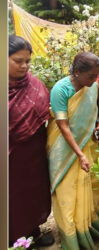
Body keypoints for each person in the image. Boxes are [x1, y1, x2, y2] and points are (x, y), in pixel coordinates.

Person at [47, 52, 99, 249]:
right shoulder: (60, 90)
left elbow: (92, 110)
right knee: (67, 193)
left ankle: (86, 229)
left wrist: (97, 123)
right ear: (78, 72)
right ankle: (72, 239)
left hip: (85, 143)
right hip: (63, 147)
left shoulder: (90, 87)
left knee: (86, 186)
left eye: (96, 75)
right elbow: (63, 127)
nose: (94, 80)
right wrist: (79, 154)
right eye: (91, 76)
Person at [8, 35, 54, 247]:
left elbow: (45, 109)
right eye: (18, 61)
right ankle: (13, 240)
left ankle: (34, 231)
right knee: (13, 199)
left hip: (34, 152)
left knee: (35, 192)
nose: (25, 66)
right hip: (10, 158)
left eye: (28, 61)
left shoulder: (33, 84)